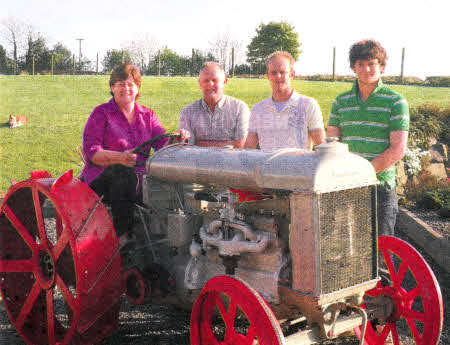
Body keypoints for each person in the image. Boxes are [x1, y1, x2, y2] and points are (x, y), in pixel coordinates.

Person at [80, 62, 188, 246]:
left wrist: (176, 142)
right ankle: (123, 237)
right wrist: (119, 158)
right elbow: (91, 152)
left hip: (139, 182)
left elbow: (162, 144)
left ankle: (172, 240)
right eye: (120, 84)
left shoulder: (147, 115)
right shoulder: (101, 113)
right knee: (122, 172)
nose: (126, 88)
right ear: (112, 87)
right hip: (103, 181)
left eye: (131, 84)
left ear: (138, 88)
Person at [327, 39, 409, 240]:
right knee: (349, 251)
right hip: (346, 189)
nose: (366, 69)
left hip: (381, 189)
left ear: (381, 66)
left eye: (372, 63)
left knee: (381, 254)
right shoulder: (340, 102)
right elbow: (331, 145)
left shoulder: (396, 101)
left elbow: (397, 149)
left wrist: (362, 174)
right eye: (360, 64)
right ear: (353, 68)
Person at [244, 51, 325, 150]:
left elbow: (321, 145)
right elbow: (248, 147)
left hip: (299, 165)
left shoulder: (307, 105)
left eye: (282, 72)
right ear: (268, 75)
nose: (278, 77)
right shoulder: (258, 109)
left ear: (292, 74)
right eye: (273, 73)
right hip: (267, 165)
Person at [178, 61, 250, 148]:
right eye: (206, 80)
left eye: (214, 80)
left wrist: (200, 143)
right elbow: (186, 147)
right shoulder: (188, 112)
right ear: (200, 83)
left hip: (231, 161)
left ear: (224, 82)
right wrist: (229, 144)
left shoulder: (240, 109)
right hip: (198, 161)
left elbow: (242, 145)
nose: (210, 84)